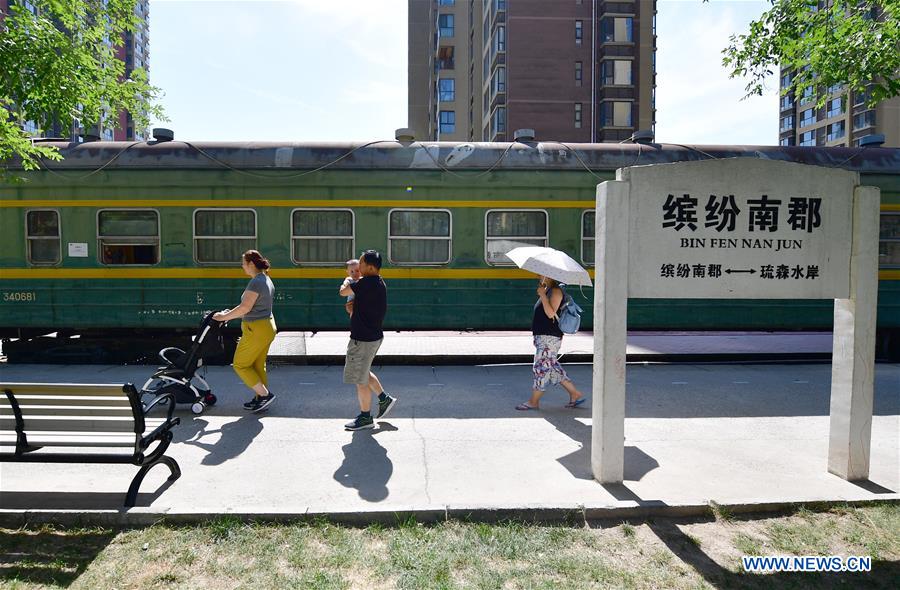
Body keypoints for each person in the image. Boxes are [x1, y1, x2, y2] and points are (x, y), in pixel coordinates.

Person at [339, 250, 397, 430]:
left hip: (362, 339)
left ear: (370, 267)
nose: (358, 267)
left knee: (360, 379)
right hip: (373, 336)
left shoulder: (364, 283)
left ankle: (365, 417)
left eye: (361, 264)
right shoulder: (379, 282)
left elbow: (342, 292)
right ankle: (384, 398)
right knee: (363, 372)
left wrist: (347, 281)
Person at [213, 250, 277, 413]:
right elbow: (246, 306)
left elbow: (245, 307)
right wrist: (227, 315)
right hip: (266, 326)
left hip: (256, 328)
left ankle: (264, 395)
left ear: (251, 264)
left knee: (240, 365)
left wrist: (223, 317)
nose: (242, 267)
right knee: (257, 365)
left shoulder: (256, 282)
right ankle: (260, 399)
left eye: (243, 263)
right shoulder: (265, 279)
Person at [516, 276, 586, 411]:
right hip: (544, 337)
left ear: (549, 276)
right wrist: (543, 293)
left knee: (541, 368)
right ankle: (574, 393)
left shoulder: (555, 291)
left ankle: (533, 401)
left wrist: (542, 295)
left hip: (549, 337)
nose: (537, 276)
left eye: (541, 273)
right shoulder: (548, 290)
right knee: (552, 367)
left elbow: (550, 313)